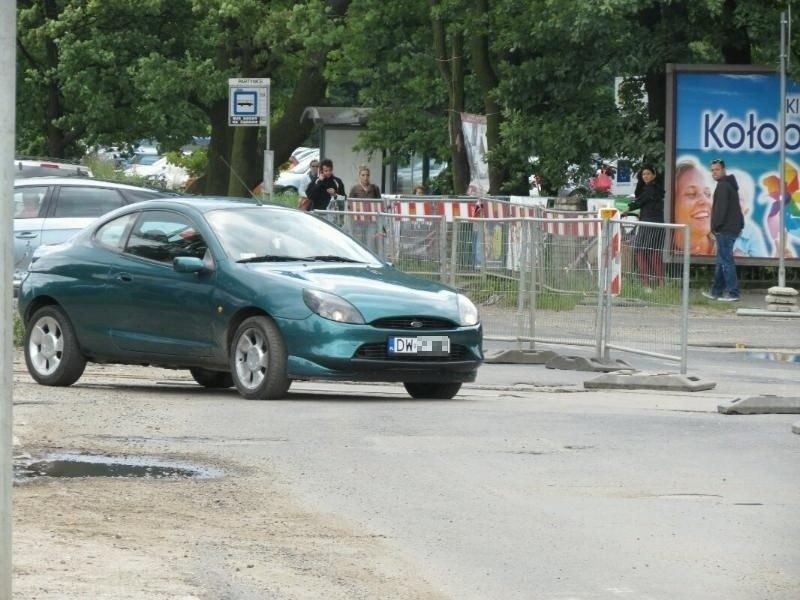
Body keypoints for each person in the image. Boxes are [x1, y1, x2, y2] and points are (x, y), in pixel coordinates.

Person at [702, 158, 744, 302]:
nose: (714, 172)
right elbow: (737, 208)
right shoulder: (729, 185)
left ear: (724, 170)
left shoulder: (723, 186)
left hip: (725, 229)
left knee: (726, 261)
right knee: (721, 261)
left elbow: (721, 210)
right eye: (712, 170)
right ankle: (716, 292)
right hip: (730, 228)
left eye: (717, 169)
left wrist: (715, 228)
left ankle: (734, 293)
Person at [623, 165, 664, 289]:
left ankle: (646, 284)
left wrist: (625, 210)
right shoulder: (657, 188)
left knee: (640, 252)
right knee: (654, 253)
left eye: (648, 174)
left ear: (654, 175)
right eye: (643, 174)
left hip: (649, 224)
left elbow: (638, 202)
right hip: (658, 223)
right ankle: (661, 284)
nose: (645, 176)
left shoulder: (650, 189)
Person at [673, 159, 715, 255]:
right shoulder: (662, 248)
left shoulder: (730, 252)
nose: (705, 201)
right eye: (691, 193)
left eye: (707, 194)